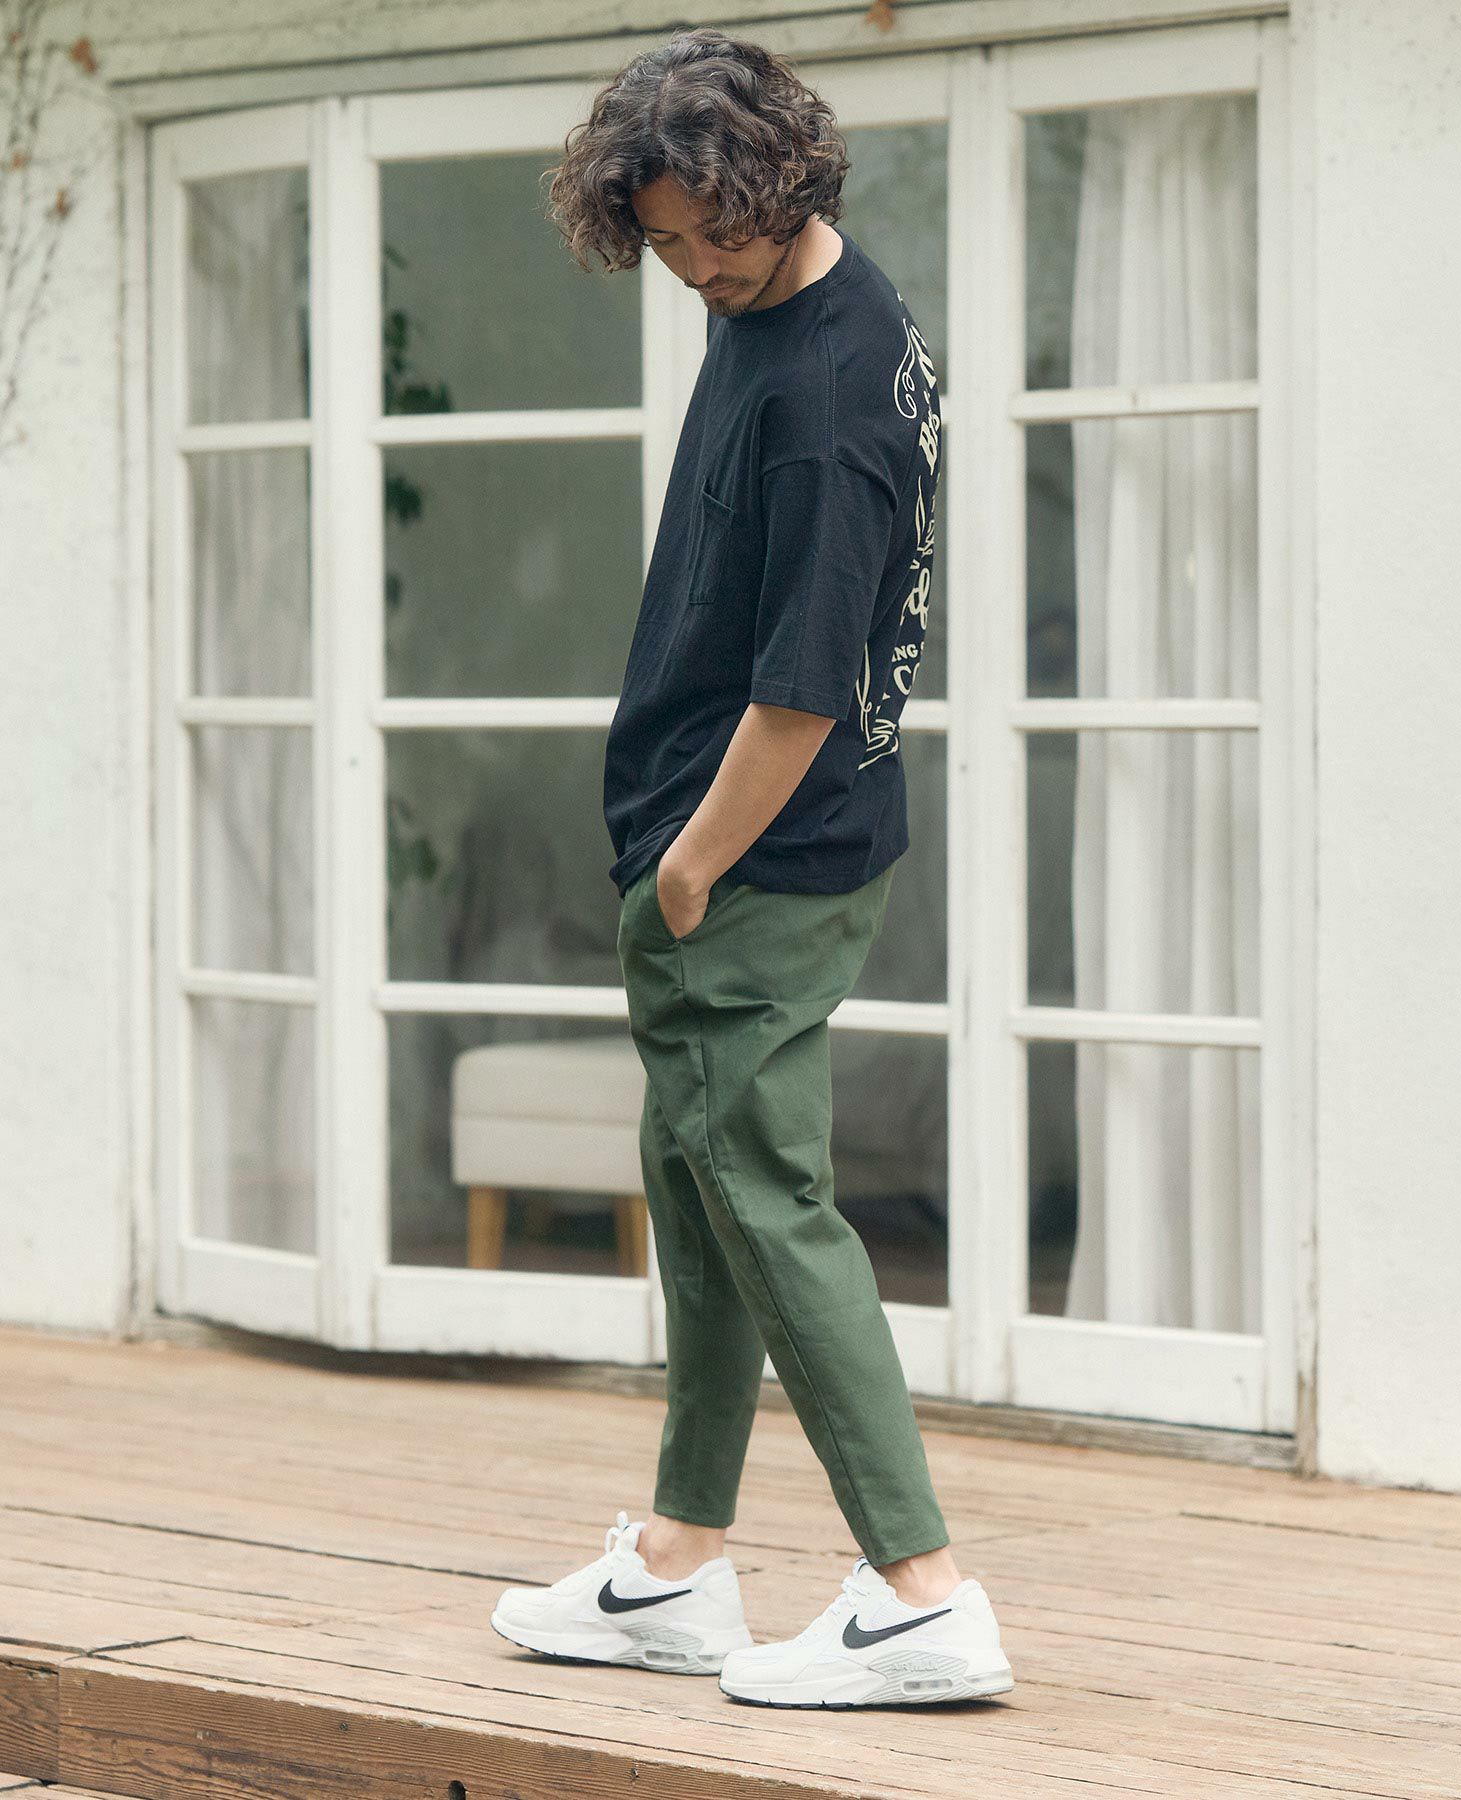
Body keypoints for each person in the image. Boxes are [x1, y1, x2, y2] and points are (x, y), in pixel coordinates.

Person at [490, 26, 1013, 1710]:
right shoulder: (790, 306)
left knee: (770, 1206)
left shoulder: (827, 395)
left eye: (714, 235)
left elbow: (802, 695)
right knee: (703, 1193)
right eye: (662, 242)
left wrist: (690, 871)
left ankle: (921, 1592)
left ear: (782, 182)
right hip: (742, 854)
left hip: (752, 868)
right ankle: (677, 1562)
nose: (694, 269)